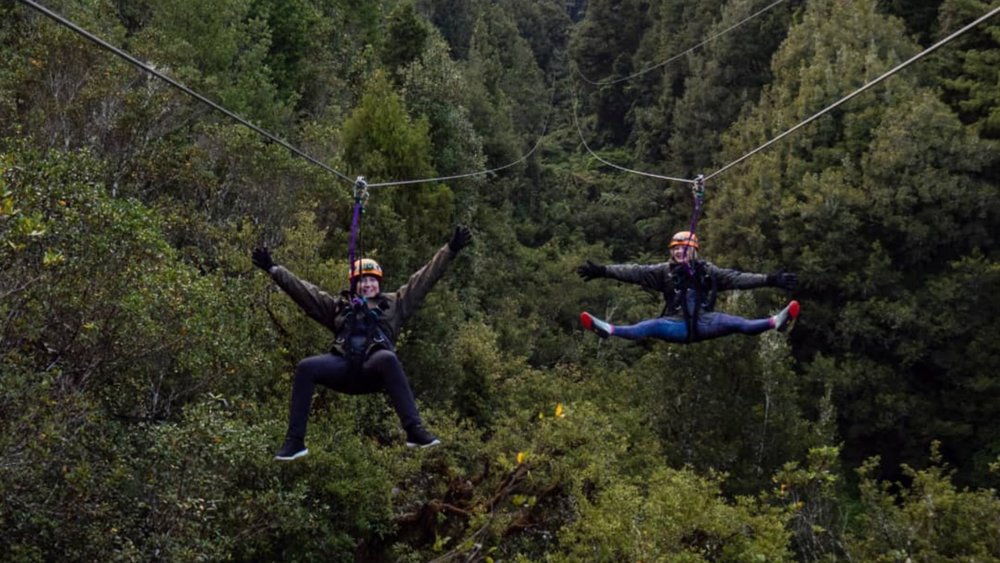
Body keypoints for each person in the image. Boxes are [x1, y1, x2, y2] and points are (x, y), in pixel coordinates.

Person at [252, 226, 472, 461]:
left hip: (374, 369)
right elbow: (306, 293)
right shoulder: (339, 307)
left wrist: (450, 250)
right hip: (343, 367)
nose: (367, 285)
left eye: (371, 280)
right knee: (306, 367)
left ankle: (414, 430)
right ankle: (295, 441)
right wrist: (274, 269)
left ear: (379, 283)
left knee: (387, 358)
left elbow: (424, 279)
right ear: (354, 285)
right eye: (362, 281)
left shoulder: (395, 304)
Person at [577, 230, 799, 343]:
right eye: (675, 249)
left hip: (704, 321)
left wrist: (770, 279)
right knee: (647, 326)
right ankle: (609, 330)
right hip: (676, 324)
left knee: (739, 323)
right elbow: (634, 271)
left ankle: (775, 322)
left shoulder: (706, 270)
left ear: (694, 251)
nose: (678, 252)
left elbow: (736, 279)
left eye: (684, 249)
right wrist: (603, 271)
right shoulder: (664, 271)